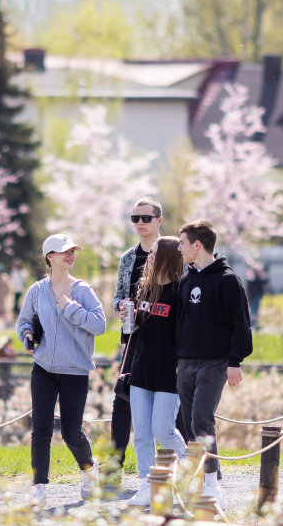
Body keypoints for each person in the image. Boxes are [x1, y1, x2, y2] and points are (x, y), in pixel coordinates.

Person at [17, 233, 106, 502]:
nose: (70, 255)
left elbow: (99, 324)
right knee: (41, 430)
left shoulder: (82, 290)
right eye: (63, 251)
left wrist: (70, 308)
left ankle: (90, 468)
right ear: (50, 257)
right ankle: (39, 488)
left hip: (75, 371)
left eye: (72, 251)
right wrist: (27, 336)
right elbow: (23, 323)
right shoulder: (37, 290)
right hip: (43, 368)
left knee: (71, 433)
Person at [176, 220, 253, 506]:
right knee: (185, 423)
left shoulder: (228, 280)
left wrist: (235, 360)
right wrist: (177, 357)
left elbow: (241, 324)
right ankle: (204, 476)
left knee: (201, 418)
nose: (180, 248)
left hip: (215, 362)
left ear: (198, 245)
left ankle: (211, 484)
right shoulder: (186, 281)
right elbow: (180, 324)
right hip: (185, 361)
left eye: (183, 243)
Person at [125, 236, 188, 506]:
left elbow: (185, 332)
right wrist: (129, 316)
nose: (148, 256)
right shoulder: (145, 288)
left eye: (153, 253)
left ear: (166, 257)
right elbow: (139, 327)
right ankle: (148, 483)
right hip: (142, 368)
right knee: (141, 432)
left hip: (168, 372)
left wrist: (181, 362)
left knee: (162, 430)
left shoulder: (179, 291)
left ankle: (187, 466)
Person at [111, 197, 165, 470]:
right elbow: (118, 296)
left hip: (166, 340)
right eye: (135, 219)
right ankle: (114, 466)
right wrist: (121, 307)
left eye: (146, 218)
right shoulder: (128, 258)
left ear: (159, 220)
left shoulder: (173, 252)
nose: (140, 223)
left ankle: (184, 466)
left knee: (170, 400)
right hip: (133, 338)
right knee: (122, 397)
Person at [246, 266, 269, 331]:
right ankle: (253, 324)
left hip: (256, 296)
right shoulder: (253, 278)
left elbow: (265, 282)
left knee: (254, 310)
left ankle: (253, 323)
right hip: (254, 296)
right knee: (254, 310)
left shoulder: (255, 278)